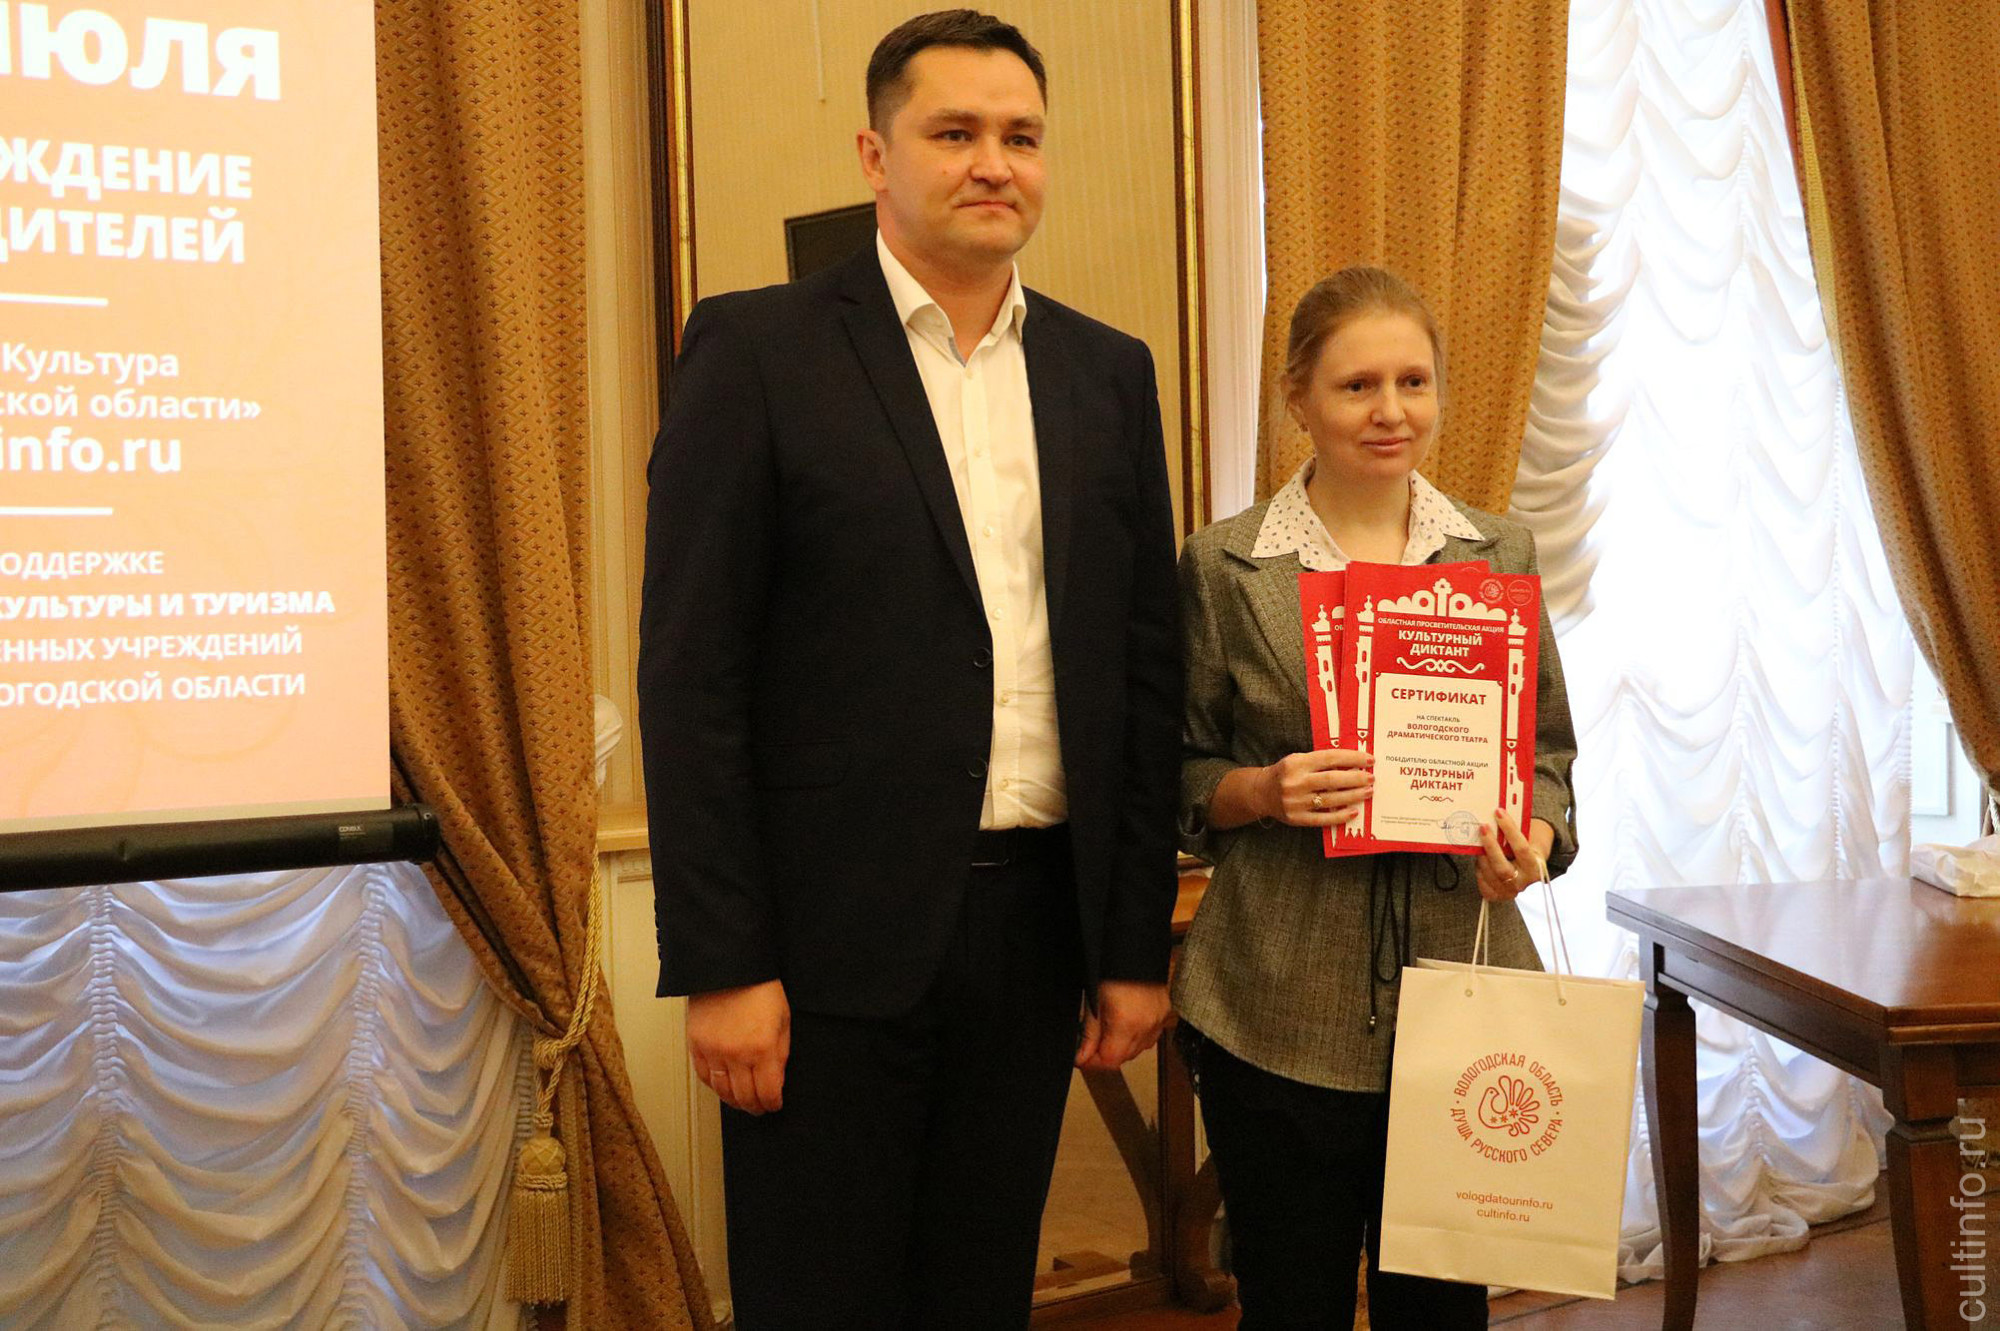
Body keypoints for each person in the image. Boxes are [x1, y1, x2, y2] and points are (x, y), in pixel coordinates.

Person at [637, 10, 1181, 1327]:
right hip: (823, 952)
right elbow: (691, 676)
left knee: (978, 1294)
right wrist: (723, 959)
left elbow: (1139, 675)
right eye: (956, 132)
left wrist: (1129, 944)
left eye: (1021, 136)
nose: (995, 163)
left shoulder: (1106, 374)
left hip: (1033, 932)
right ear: (876, 155)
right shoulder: (757, 351)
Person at [1171, 266, 1579, 1328]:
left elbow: (1546, 751)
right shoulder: (1221, 564)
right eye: (1357, 385)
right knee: (1290, 1304)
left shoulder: (1497, 550)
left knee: (1439, 1313)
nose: (1390, 410)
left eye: (1412, 381)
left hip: (1462, 997)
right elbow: (1175, 772)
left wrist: (1533, 835)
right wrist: (1259, 789)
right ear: (1297, 399)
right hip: (1272, 1006)